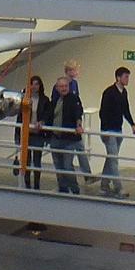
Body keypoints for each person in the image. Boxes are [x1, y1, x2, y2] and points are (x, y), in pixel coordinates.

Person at [98, 66, 135, 196]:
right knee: (114, 159)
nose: (127, 79)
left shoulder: (124, 92)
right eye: (126, 77)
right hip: (109, 130)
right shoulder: (109, 92)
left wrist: (132, 123)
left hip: (117, 129)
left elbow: (126, 109)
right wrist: (106, 129)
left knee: (111, 158)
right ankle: (118, 187)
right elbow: (102, 112)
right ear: (118, 78)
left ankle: (104, 184)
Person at [49, 62, 87, 194]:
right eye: (61, 86)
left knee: (67, 165)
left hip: (68, 138)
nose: (64, 88)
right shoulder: (54, 101)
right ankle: (63, 188)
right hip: (55, 137)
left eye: (65, 86)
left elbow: (78, 111)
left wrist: (78, 124)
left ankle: (74, 188)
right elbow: (49, 115)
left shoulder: (74, 98)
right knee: (58, 166)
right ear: (57, 88)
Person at [18, 75, 50, 190]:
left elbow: (47, 114)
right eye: (32, 84)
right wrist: (17, 135)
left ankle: (36, 185)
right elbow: (20, 116)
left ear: (40, 86)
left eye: (37, 84)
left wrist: (42, 122)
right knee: (26, 160)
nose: (34, 86)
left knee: (37, 160)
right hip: (27, 133)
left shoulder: (45, 100)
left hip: (38, 134)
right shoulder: (25, 99)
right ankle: (27, 184)